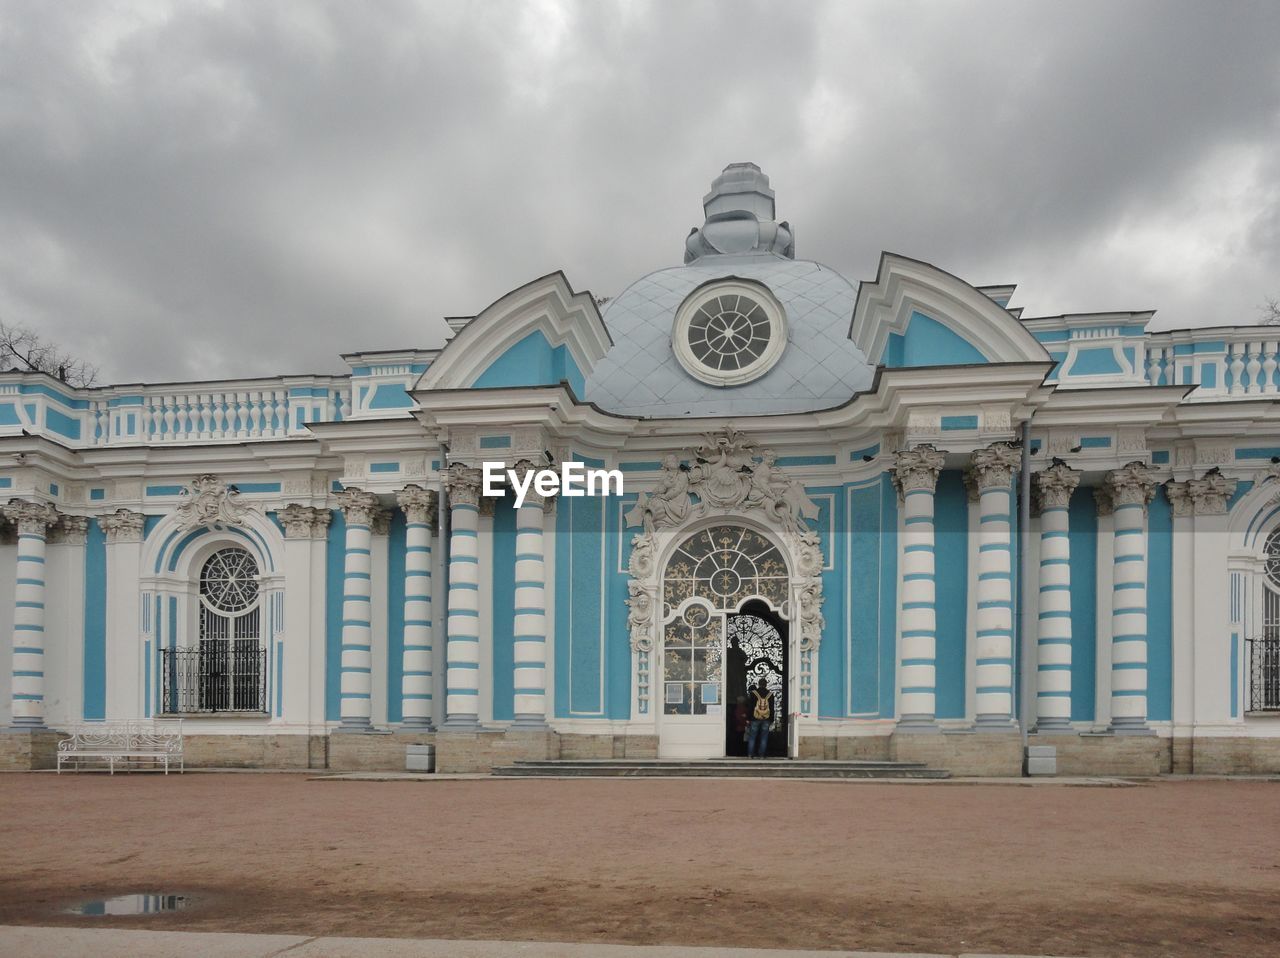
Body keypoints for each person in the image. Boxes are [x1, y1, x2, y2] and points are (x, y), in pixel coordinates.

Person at [746, 678, 774, 759]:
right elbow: (772, 708)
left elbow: (750, 707)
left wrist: (748, 718)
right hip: (766, 718)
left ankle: (750, 755)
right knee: (764, 737)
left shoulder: (753, 693)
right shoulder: (770, 694)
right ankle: (761, 755)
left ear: (758, 684)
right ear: (766, 684)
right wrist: (772, 719)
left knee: (752, 737)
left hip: (754, 718)